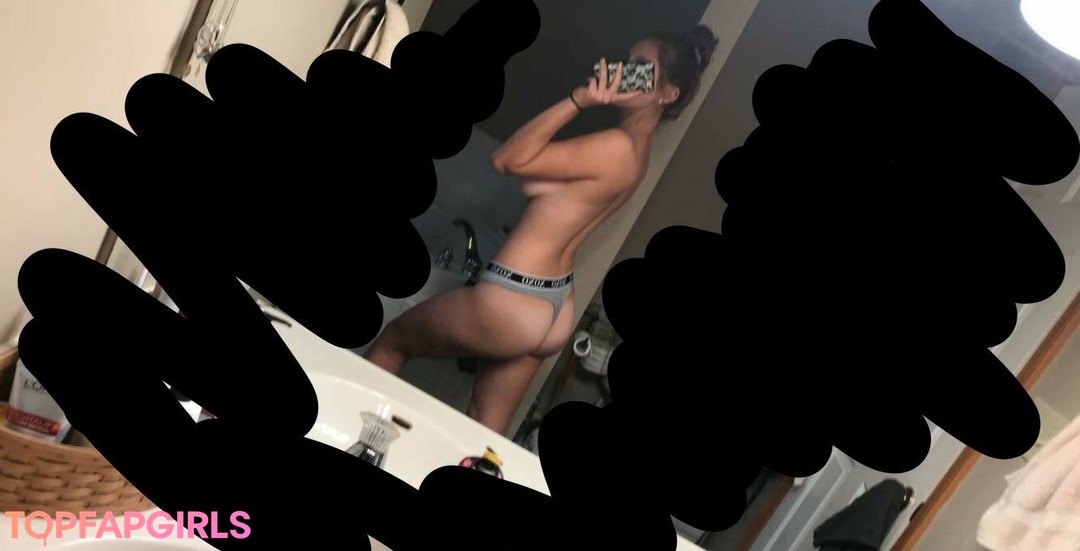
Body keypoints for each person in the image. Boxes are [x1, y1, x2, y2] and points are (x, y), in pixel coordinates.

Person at [364, 25, 720, 434]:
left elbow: (507, 158)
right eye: (627, 62)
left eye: (640, 67)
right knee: (485, 428)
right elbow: (549, 186)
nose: (623, 72)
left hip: (513, 295)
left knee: (394, 342)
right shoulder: (636, 153)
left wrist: (578, 100)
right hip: (553, 305)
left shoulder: (615, 146)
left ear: (667, 93)